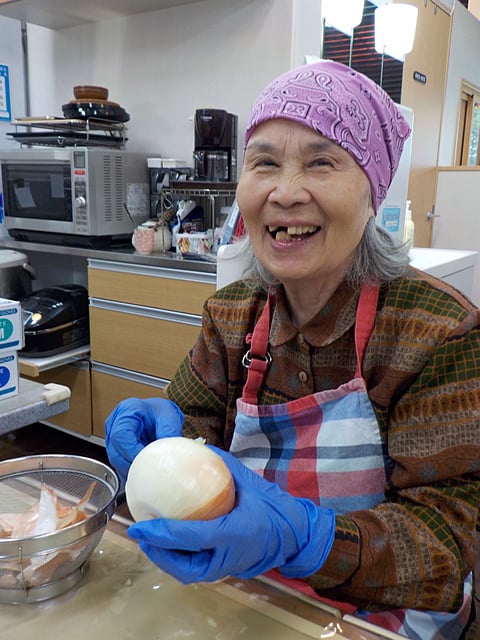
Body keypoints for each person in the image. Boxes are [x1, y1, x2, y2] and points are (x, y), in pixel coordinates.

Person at [105, 60, 480, 640]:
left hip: (385, 620)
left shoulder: (436, 332)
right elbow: (194, 435)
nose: (284, 192)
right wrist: (163, 439)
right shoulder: (232, 315)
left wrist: (311, 538)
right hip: (254, 595)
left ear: (372, 190)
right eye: (264, 163)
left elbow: (451, 543)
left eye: (321, 162)